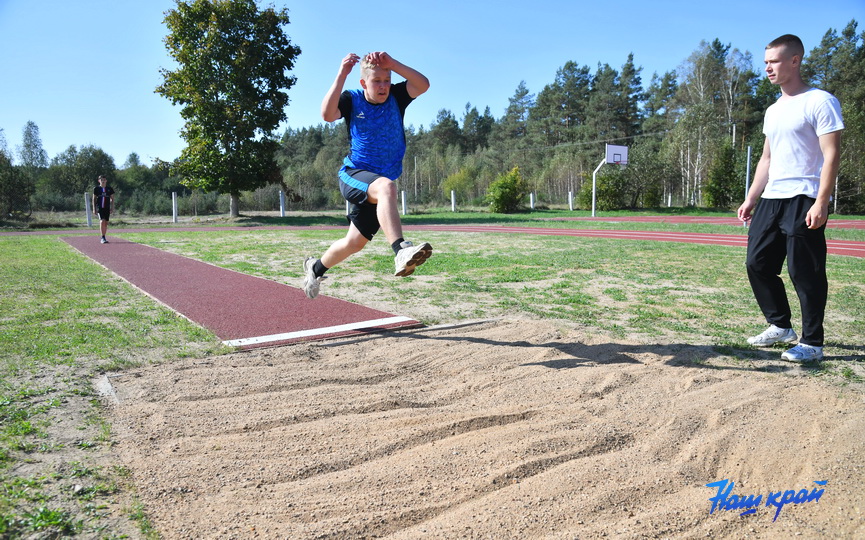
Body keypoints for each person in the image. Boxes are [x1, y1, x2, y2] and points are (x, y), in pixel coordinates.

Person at [737, 34, 844, 362]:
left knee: (805, 272)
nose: (767, 67)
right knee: (757, 264)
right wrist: (752, 196)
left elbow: (832, 154)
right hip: (772, 197)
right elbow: (767, 158)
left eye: (774, 61)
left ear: (795, 61)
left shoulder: (819, 101)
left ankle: (812, 342)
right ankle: (780, 325)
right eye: (766, 61)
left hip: (804, 196)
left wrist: (822, 200)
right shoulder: (773, 110)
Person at [302, 52, 433, 299]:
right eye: (376, 81)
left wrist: (392, 63)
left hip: (379, 186)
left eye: (386, 79)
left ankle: (315, 268)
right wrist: (342, 74)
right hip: (355, 174)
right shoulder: (352, 99)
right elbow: (327, 115)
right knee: (387, 187)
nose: (383, 86)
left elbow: (423, 85)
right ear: (363, 83)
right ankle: (401, 250)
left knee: (354, 243)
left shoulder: (396, 96)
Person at [92, 175, 115, 244]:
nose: (103, 181)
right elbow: (94, 199)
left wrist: (112, 207)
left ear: (106, 180)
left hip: (107, 207)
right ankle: (102, 237)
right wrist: (94, 208)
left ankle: (104, 235)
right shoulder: (96, 189)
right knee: (102, 221)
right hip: (100, 207)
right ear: (99, 181)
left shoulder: (109, 189)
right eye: (101, 180)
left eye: (104, 180)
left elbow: (112, 199)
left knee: (106, 222)